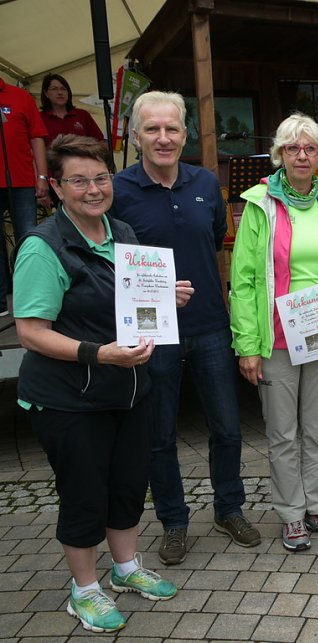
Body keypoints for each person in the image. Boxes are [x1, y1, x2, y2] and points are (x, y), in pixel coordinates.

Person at [13, 135, 190, 633]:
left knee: (129, 484)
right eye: (78, 180)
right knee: (84, 493)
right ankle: (85, 589)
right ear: (56, 187)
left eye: (100, 178)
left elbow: (129, 306)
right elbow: (31, 332)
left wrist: (165, 297)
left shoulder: (123, 232)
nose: (93, 189)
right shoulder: (44, 246)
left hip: (128, 389)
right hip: (70, 398)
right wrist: (99, 354)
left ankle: (126, 567)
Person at [112, 91, 260, 565]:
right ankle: (174, 522)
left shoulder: (205, 183)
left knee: (228, 428)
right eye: (152, 129)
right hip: (152, 333)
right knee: (159, 436)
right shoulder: (118, 191)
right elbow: (113, 265)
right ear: (137, 136)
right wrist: (157, 296)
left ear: (184, 134)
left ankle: (229, 509)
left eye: (172, 128)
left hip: (210, 324)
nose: (163, 137)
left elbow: (214, 239)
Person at [230, 113, 318, 551]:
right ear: (280, 154)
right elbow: (243, 280)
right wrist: (247, 345)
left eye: (310, 148)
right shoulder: (259, 205)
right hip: (276, 339)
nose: (302, 155)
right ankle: (291, 513)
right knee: (283, 434)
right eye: (292, 148)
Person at [1, 77, 49, 316]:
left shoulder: (20, 96)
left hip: (20, 181)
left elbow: (36, 137)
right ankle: (1, 302)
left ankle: (32, 297)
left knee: (29, 239)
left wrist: (42, 176)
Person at [40, 74, 105, 147]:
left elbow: (100, 142)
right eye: (54, 89)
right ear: (46, 93)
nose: (60, 92)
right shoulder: (39, 118)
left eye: (63, 89)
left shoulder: (82, 115)